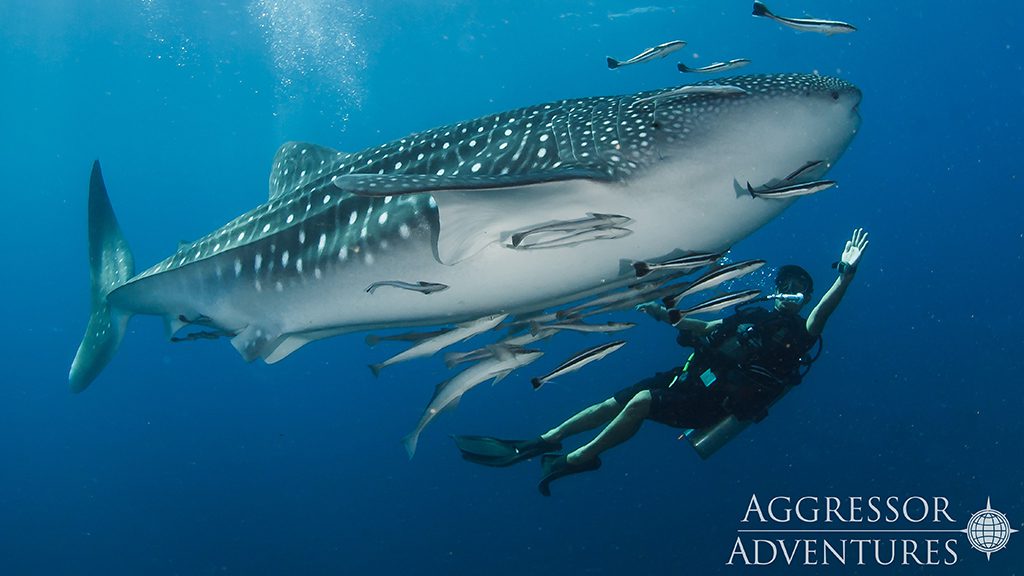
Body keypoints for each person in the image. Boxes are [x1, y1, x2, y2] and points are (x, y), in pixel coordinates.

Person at [454, 228, 869, 496]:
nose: (790, 291)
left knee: (641, 404)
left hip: (713, 402)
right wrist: (662, 312)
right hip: (687, 377)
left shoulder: (800, 332)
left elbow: (824, 312)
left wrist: (844, 276)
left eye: (800, 288)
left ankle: (580, 458)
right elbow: (707, 327)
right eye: (786, 284)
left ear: (806, 297)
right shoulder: (752, 313)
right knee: (610, 404)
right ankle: (545, 440)